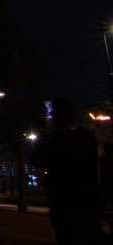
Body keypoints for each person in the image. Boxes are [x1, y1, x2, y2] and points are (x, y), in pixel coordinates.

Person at [30, 97, 102, 245]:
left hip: (63, 204)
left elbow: (37, 161)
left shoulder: (53, 142)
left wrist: (43, 130)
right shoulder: (87, 137)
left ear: (54, 117)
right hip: (88, 203)